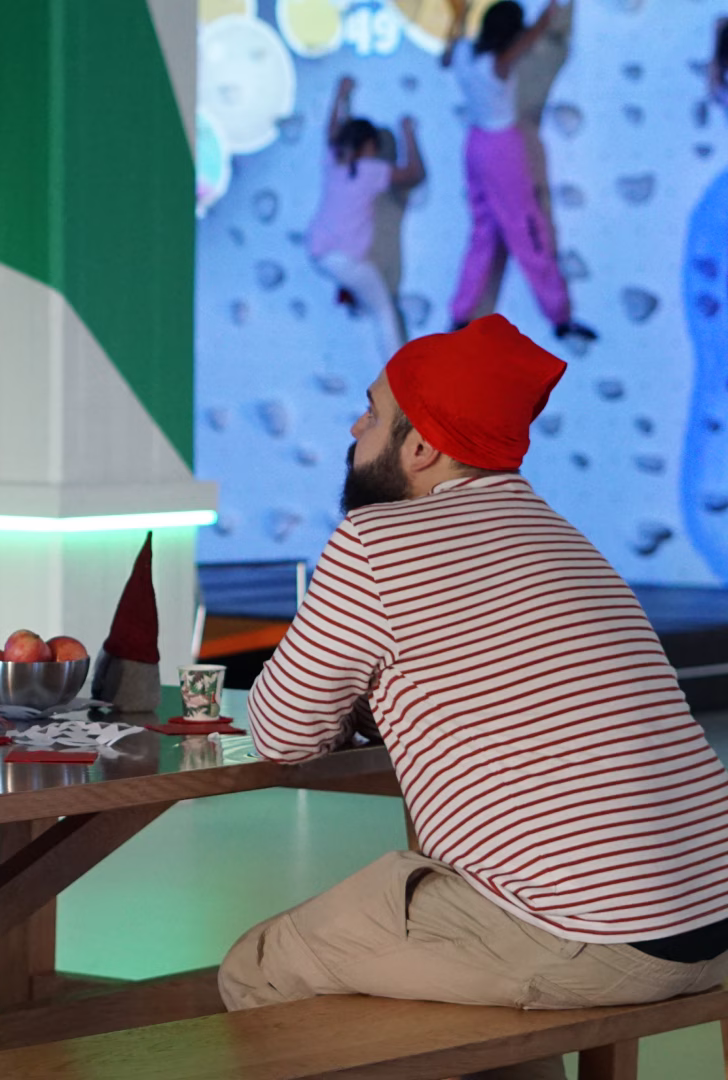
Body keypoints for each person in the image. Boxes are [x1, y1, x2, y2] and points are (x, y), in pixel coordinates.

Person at [219, 316, 728, 1080]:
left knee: (259, 967)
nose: (354, 428)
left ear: (421, 447)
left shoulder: (376, 542)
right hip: (709, 920)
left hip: (595, 935)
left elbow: (282, 734)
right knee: (463, 957)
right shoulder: (563, 539)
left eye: (371, 413)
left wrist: (359, 702)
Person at [441, 0, 595, 345]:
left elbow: (445, 57)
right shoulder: (498, 63)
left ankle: (460, 313)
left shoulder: (465, 52)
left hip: (475, 144)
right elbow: (537, 31)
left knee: (483, 232)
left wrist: (460, 18)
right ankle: (559, 313)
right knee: (527, 230)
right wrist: (555, 7)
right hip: (502, 149)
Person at [307, 76, 425, 364]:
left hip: (319, 251)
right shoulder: (370, 170)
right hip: (345, 257)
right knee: (384, 311)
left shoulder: (335, 162)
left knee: (366, 292)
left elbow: (332, 131)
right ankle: (399, 381)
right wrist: (408, 132)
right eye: (376, 147)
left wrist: (340, 95)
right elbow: (414, 174)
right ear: (368, 144)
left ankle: (352, 297)